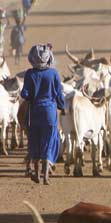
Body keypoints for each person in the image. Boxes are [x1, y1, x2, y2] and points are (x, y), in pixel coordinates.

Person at [20, 43, 64, 185]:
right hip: (50, 113)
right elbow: (58, 94)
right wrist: (62, 106)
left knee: (35, 140)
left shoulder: (29, 74)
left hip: (34, 112)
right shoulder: (54, 74)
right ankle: (46, 176)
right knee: (49, 140)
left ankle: (36, 174)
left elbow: (25, 94)